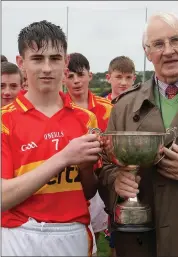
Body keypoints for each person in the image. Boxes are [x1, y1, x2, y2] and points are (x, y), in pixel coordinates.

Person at [98, 12, 178, 257]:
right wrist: (116, 180)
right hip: (141, 243)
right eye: (158, 44)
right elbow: (104, 166)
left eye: (176, 40)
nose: (168, 51)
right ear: (147, 52)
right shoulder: (125, 105)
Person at [1, 20, 102, 256]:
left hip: (72, 233)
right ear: (21, 63)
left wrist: (86, 170)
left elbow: (88, 191)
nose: (47, 68)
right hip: (19, 234)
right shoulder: (4, 120)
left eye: (55, 58)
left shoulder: (86, 119)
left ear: (65, 62)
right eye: (37, 59)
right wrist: (64, 157)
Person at [64, 52, 112, 255]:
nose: (76, 81)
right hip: (72, 184)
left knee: (103, 234)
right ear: (63, 77)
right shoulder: (57, 110)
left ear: (90, 76)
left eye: (80, 75)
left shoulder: (108, 108)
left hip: (103, 178)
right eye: (70, 76)